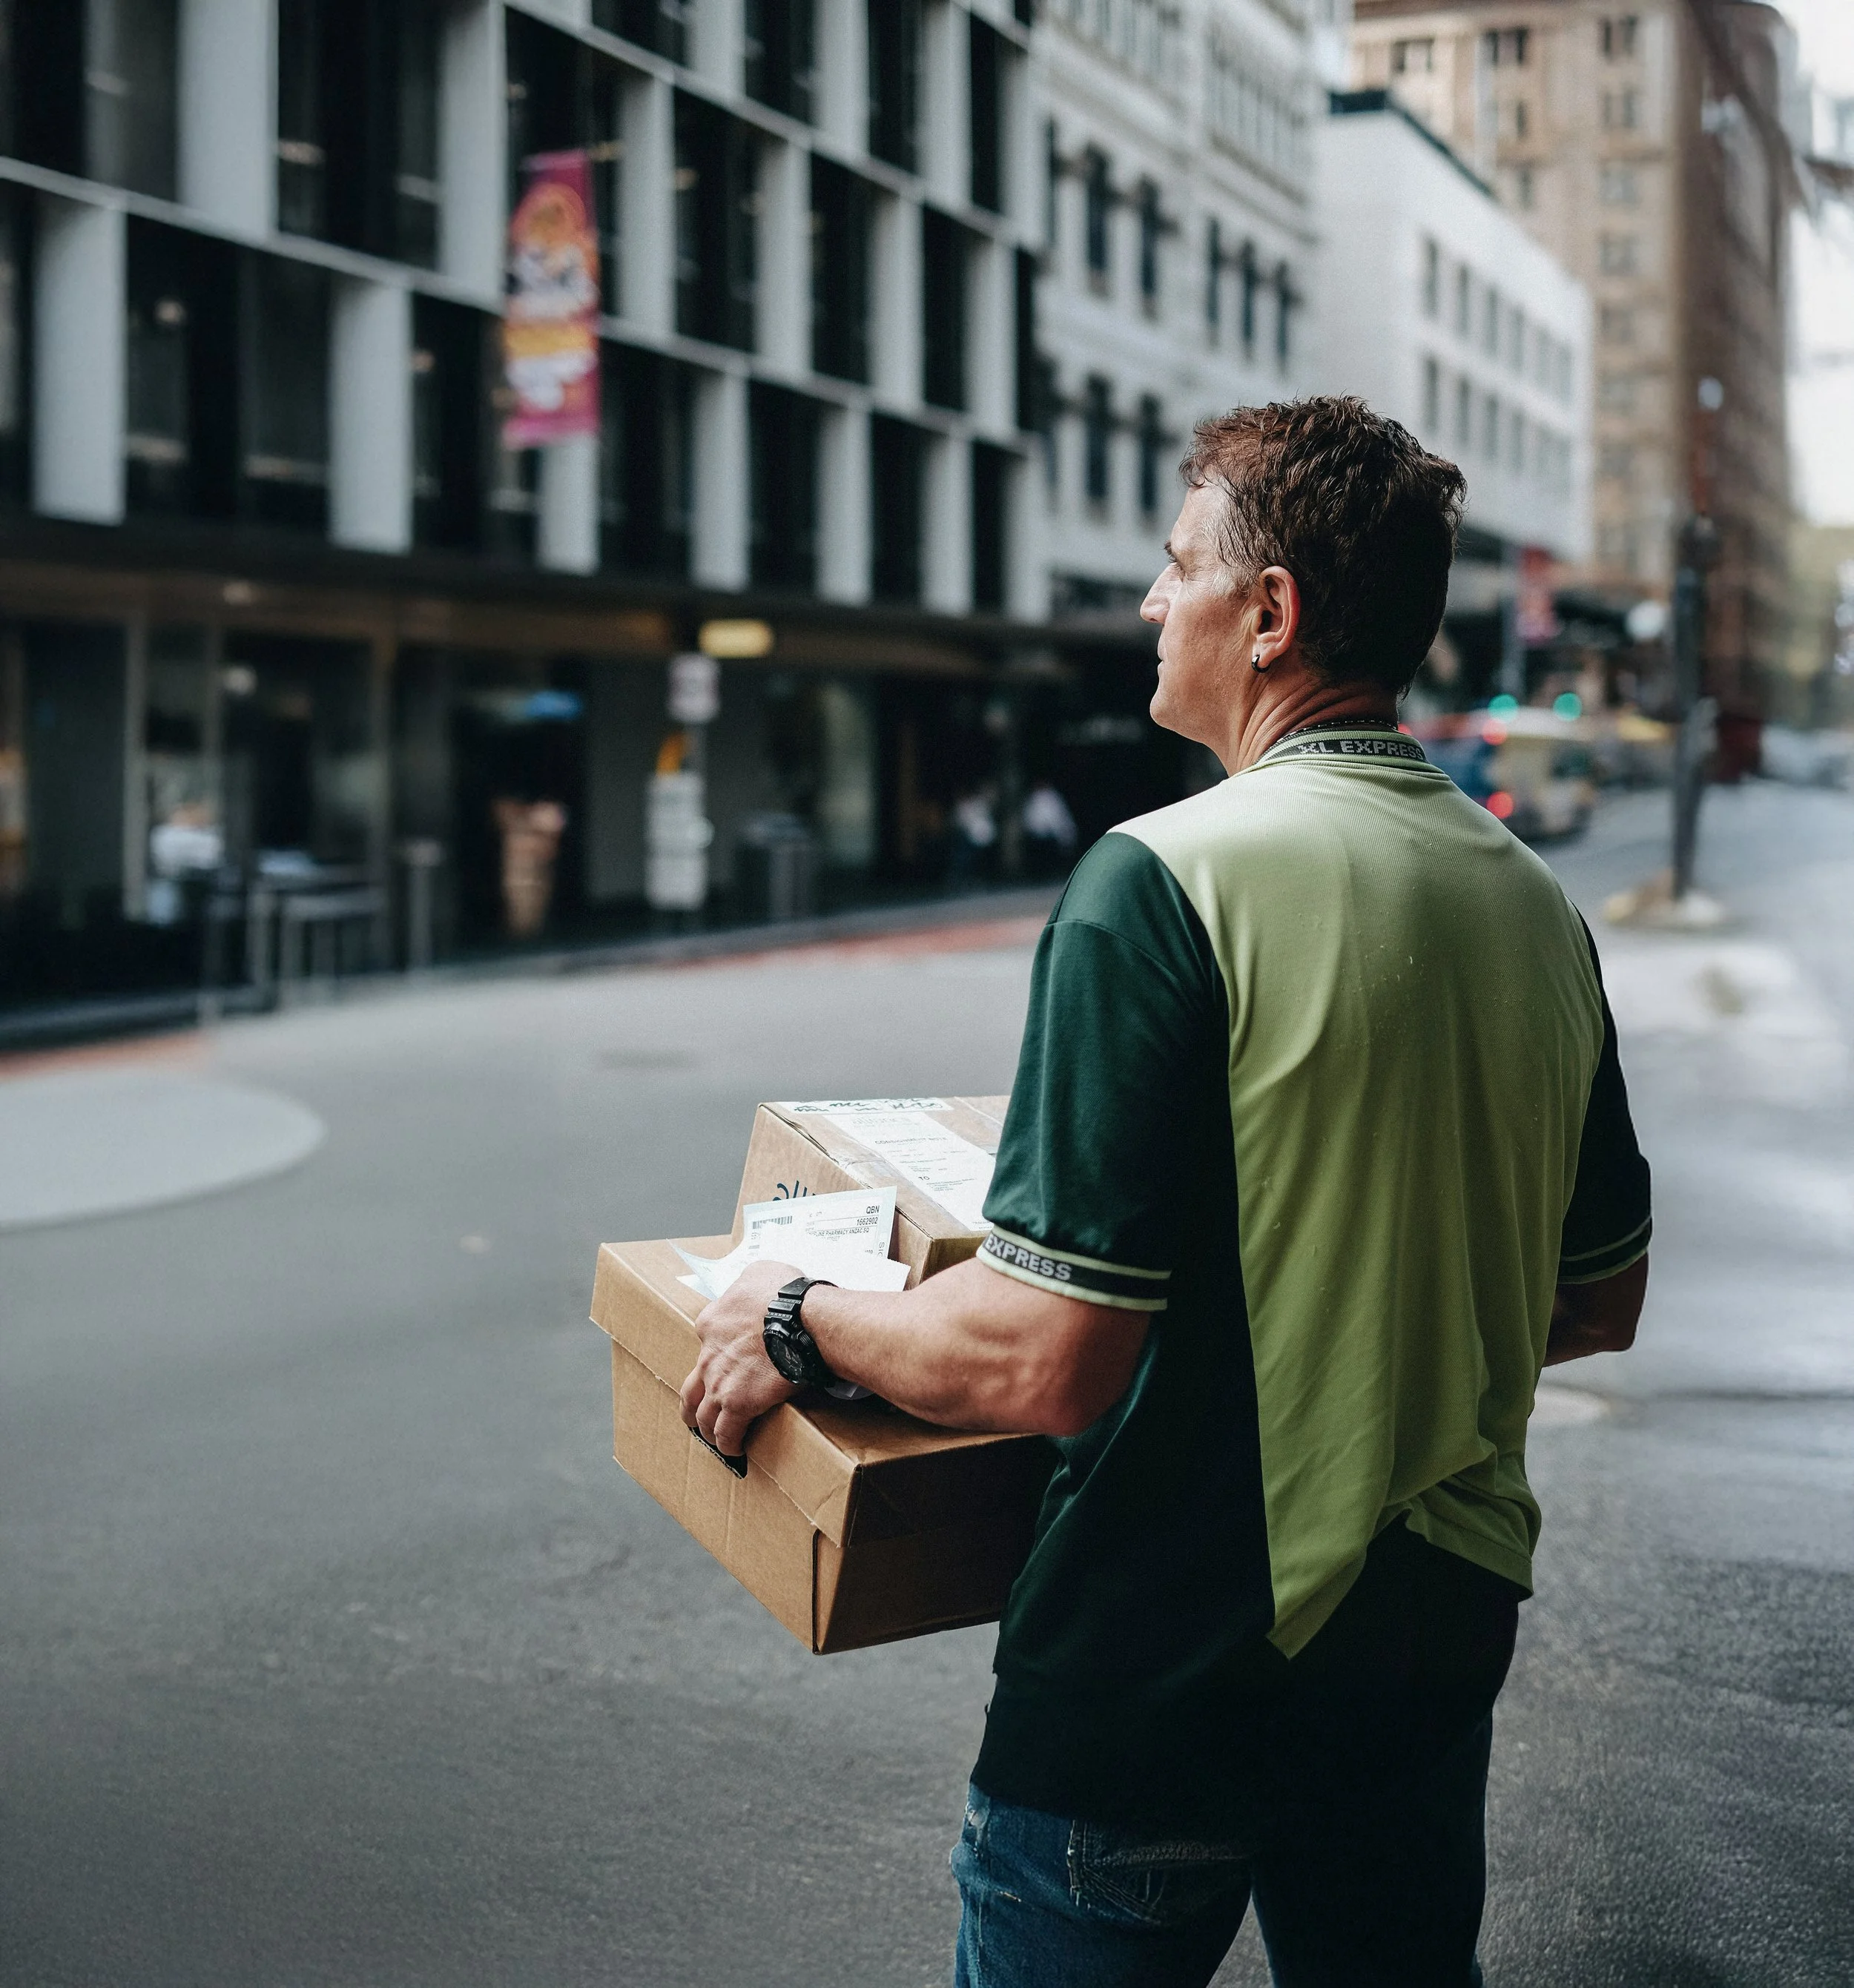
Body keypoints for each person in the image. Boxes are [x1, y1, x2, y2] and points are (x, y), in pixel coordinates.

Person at [682, 397, 1651, 1987]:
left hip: (1159, 1677)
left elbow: (1042, 1355)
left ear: (1266, 615)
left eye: (1173, 562)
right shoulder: (1532, 907)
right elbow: (1594, 1296)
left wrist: (790, 1314)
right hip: (1420, 1671)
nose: (1148, 600)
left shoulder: (1161, 879)